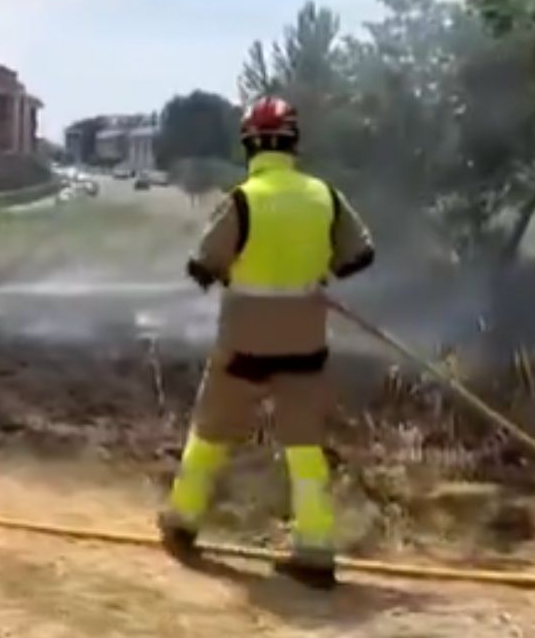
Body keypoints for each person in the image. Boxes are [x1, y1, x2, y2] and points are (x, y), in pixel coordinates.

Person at [159, 96, 375, 589]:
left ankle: (182, 522)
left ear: (251, 143)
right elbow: (360, 255)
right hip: (304, 343)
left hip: (242, 346)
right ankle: (316, 549)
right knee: (304, 446)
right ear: (293, 142)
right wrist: (319, 272)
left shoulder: (242, 199)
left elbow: (201, 267)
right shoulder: (326, 195)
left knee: (210, 432)